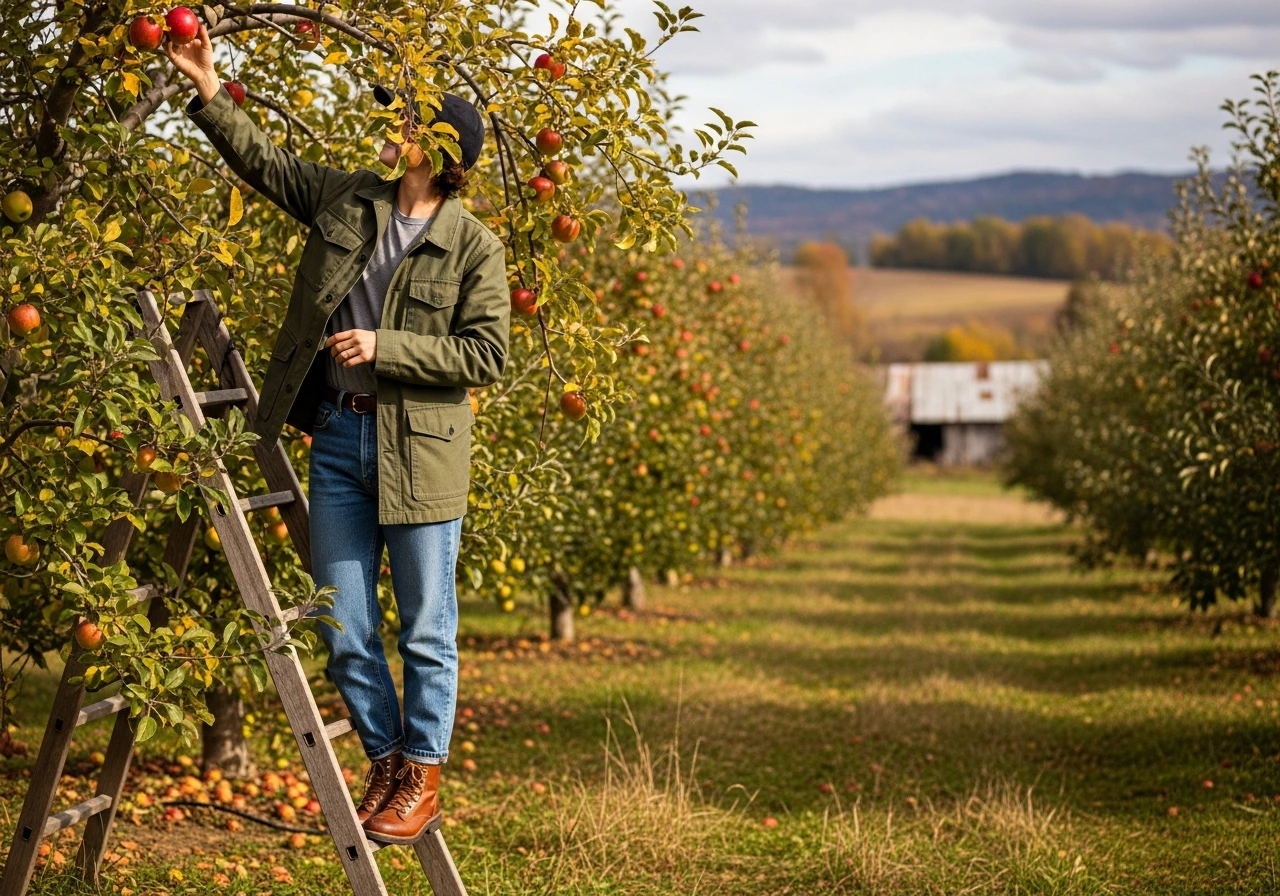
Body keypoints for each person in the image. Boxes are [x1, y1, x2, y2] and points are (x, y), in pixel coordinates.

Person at [166, 23, 510, 843]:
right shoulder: (351, 199)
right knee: (342, 625)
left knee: (425, 628)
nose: (390, 126)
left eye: (406, 120)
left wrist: (389, 347)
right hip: (339, 439)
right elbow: (269, 166)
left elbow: (486, 354)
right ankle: (389, 762)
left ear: (438, 148)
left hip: (421, 453)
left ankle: (421, 775)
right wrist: (209, 87)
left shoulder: (474, 247)